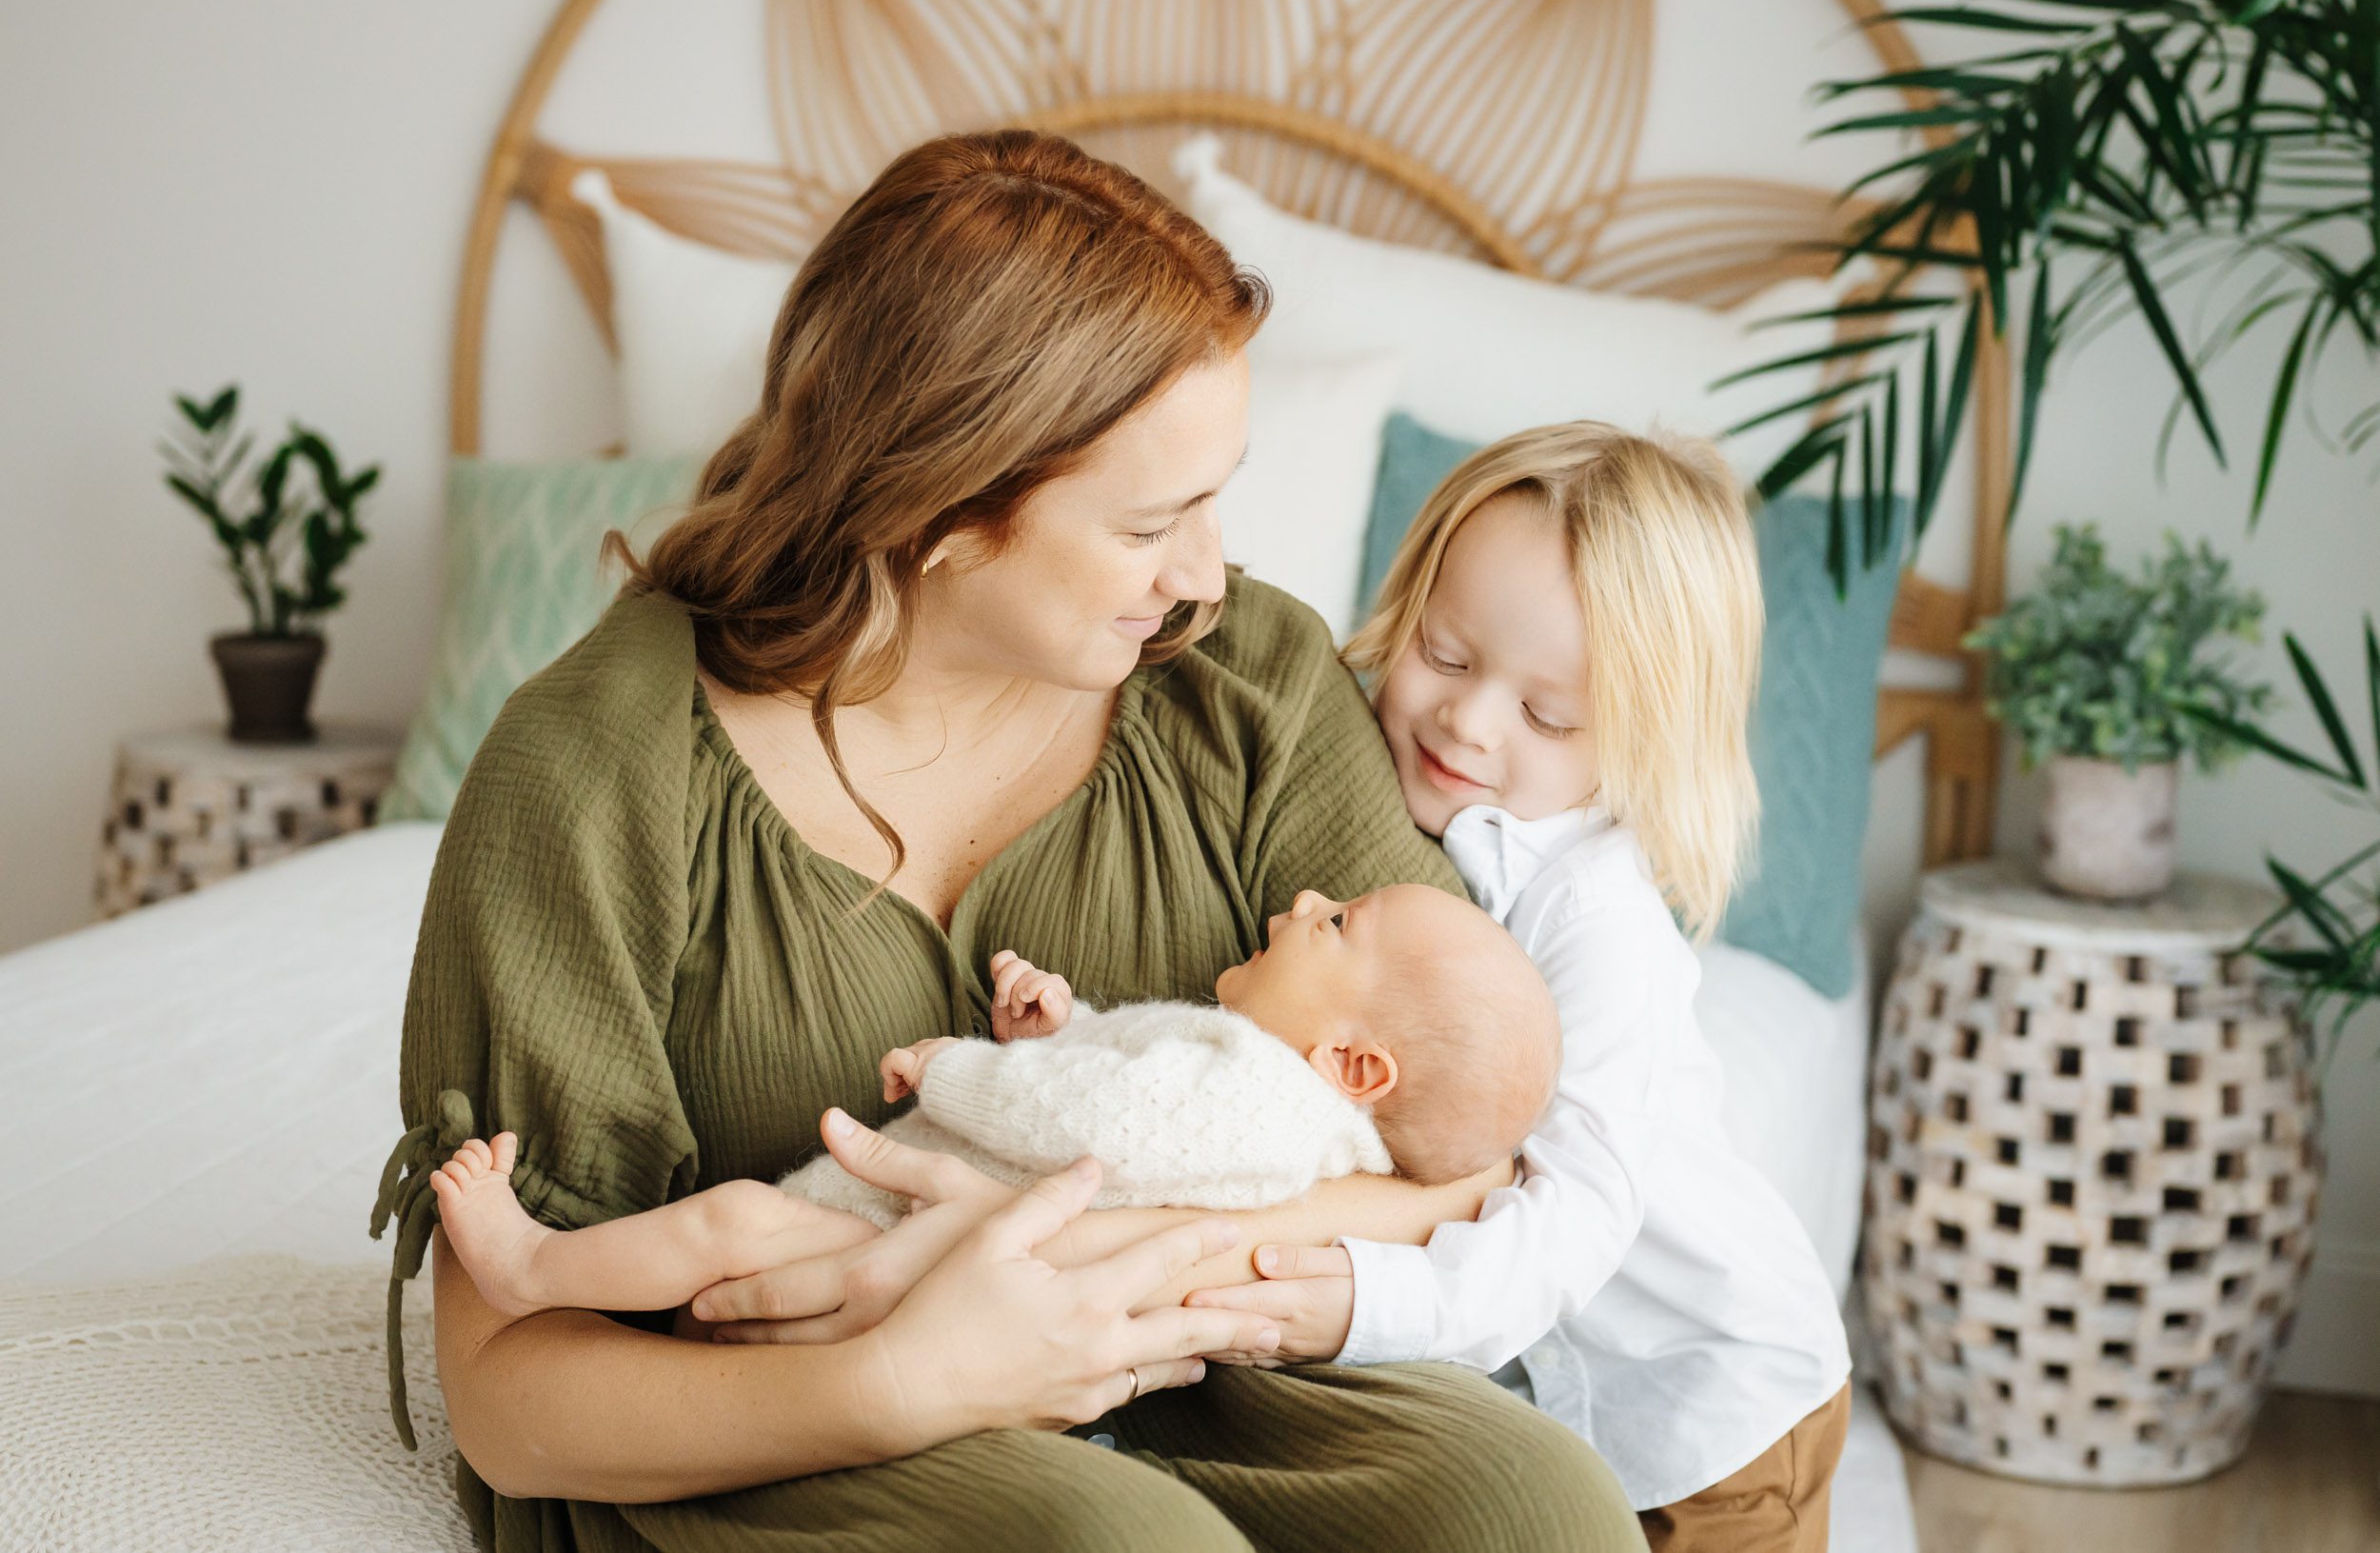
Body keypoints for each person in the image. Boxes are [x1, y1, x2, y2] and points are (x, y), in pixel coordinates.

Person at [367, 130, 1644, 1552]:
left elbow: (1460, 1157)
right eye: (1150, 521)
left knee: (1542, 1507)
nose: (1206, 570)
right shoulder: (596, 773)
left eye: (1215, 499)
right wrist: (900, 1373)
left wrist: (1057, 1261)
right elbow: (507, 1392)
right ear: (937, 506)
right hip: (765, 1414)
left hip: (1177, 1356)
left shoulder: (1248, 680)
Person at [1195, 422, 1853, 1553]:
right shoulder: (1375, 787)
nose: (1468, 720)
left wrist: (1370, 1301)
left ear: (1641, 743)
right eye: (1445, 654)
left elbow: (1573, 1219)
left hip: (1720, 1407)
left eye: (1547, 715)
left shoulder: (1597, 924)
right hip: (1581, 1393)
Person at [424, 881, 1558, 1310]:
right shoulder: (1266, 1083)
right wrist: (1065, 1028)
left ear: (1357, 1066)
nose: (1309, 895)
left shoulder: (1273, 1101)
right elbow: (1132, 1087)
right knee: (734, 1233)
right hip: (930, 1245)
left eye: (1340, 924)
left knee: (736, 1221)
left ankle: (533, 1271)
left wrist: (959, 1069)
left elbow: (1095, 1128)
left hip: (905, 1246)